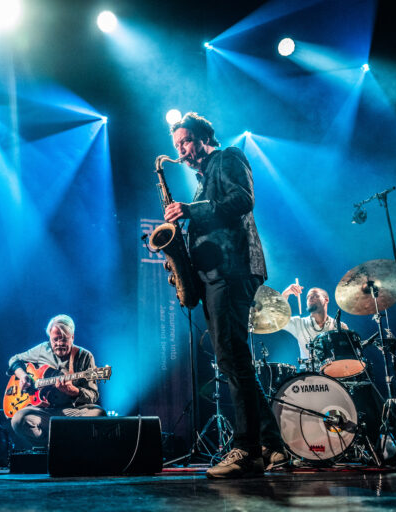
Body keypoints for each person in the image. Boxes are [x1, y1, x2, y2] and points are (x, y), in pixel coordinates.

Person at [164, 112, 286, 478]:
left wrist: (189, 209)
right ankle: (271, 445)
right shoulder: (203, 179)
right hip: (214, 275)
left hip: (233, 269)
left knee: (232, 355)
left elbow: (242, 201)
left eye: (185, 142)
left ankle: (246, 449)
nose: (181, 151)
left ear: (203, 138)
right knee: (234, 360)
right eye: (177, 146)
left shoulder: (229, 157)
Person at [7, 314, 105, 449]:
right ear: (49, 338)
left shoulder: (85, 357)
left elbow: (93, 395)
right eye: (55, 339)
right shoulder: (42, 349)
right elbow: (14, 360)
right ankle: (55, 447)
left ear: (72, 337)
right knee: (18, 420)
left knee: (98, 414)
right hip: (45, 411)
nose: (59, 343)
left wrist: (74, 391)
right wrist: (23, 376)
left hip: (72, 411)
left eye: (64, 339)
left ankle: (60, 447)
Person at [280, 283, 349, 363]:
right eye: (308, 297)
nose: (310, 298)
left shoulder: (340, 326)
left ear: (326, 300)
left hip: (335, 372)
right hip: (310, 373)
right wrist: (285, 293)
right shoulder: (299, 323)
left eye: (315, 296)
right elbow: (278, 319)